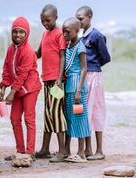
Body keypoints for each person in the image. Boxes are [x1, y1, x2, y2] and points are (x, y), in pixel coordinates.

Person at [0, 17, 42, 166]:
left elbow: (23, 74)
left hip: (30, 88)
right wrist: (3, 88)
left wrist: (12, 93)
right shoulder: (10, 49)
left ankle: (29, 152)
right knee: (15, 118)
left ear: (27, 33)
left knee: (29, 119)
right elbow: (6, 69)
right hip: (17, 89)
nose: (17, 35)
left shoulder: (28, 51)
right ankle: (20, 151)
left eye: (21, 32)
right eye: (15, 31)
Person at [76, 6, 111, 160]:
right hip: (83, 77)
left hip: (93, 77)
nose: (79, 21)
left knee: (94, 111)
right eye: (77, 18)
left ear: (90, 17)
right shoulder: (79, 35)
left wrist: (93, 68)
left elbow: (106, 57)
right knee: (83, 111)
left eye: (81, 18)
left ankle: (99, 151)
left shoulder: (96, 35)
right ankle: (88, 149)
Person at [35, 4, 67, 162]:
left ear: (55, 17)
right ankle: (45, 149)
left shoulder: (60, 33)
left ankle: (62, 151)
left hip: (56, 81)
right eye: (42, 20)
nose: (45, 23)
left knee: (56, 114)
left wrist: (60, 79)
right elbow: (38, 53)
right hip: (46, 80)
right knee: (48, 115)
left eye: (47, 20)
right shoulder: (44, 34)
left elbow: (62, 56)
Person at [60, 17, 90, 163]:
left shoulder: (80, 46)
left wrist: (79, 91)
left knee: (80, 118)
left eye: (68, 31)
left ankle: (81, 153)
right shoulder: (68, 46)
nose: (65, 34)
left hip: (78, 89)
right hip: (69, 88)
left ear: (77, 31)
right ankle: (67, 150)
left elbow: (84, 68)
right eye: (63, 31)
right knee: (69, 118)